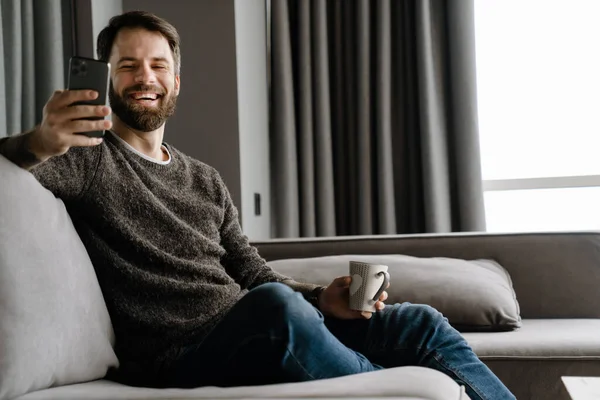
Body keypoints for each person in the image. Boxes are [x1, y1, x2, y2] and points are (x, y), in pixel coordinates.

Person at [0, 11, 515, 400]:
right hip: (181, 355)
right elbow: (13, 163)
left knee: (419, 321)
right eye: (127, 66)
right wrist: (41, 140)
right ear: (107, 80)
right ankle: (391, 387)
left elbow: (250, 269)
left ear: (176, 81)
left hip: (261, 325)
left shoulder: (205, 178)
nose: (145, 77)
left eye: (158, 65)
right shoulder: (86, 158)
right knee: (276, 309)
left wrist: (321, 299)